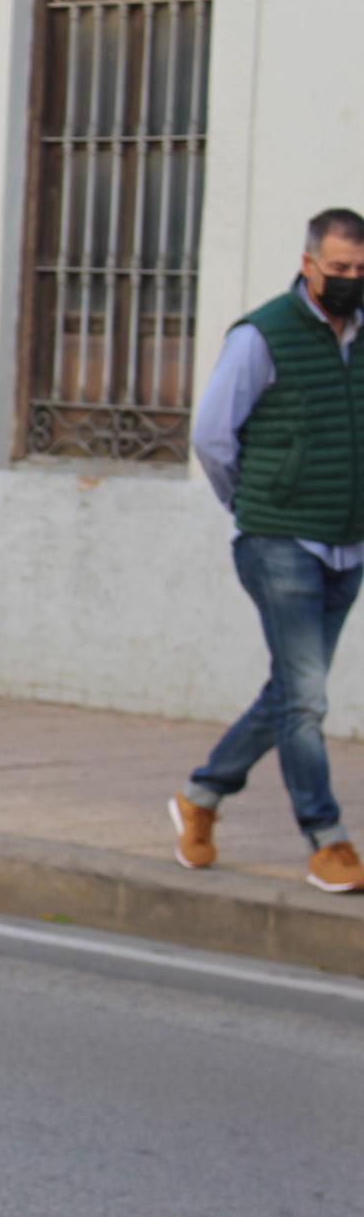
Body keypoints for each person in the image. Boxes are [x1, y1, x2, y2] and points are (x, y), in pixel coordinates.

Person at [178, 207, 364, 893]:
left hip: (347, 544)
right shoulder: (264, 334)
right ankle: (327, 836)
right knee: (307, 697)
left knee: (292, 691)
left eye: (360, 271)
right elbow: (212, 436)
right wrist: (254, 507)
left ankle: (202, 795)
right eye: (339, 268)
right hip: (279, 539)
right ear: (310, 262)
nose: (349, 281)